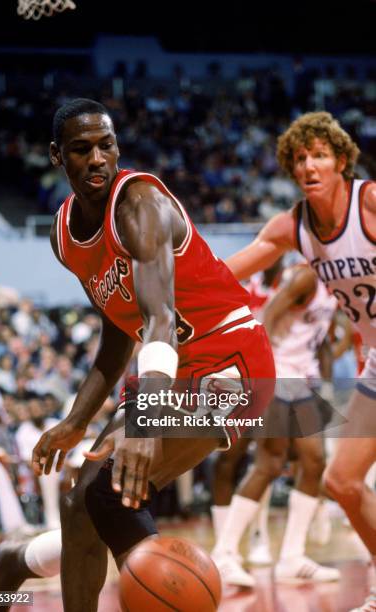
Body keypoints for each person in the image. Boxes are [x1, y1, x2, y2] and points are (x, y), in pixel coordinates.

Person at [27, 98, 275, 612]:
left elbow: (159, 317)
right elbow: (119, 331)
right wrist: (76, 420)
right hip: (173, 369)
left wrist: (145, 421)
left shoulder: (139, 204)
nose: (97, 158)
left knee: (111, 492)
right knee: (78, 499)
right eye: (81, 149)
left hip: (232, 362)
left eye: (107, 145)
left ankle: (168, 598)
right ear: (57, 156)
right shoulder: (63, 235)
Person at [225, 111, 376, 611]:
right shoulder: (292, 229)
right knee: (339, 480)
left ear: (341, 161)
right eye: (300, 157)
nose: (309, 165)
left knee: (311, 466)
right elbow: (224, 275)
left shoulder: (369, 202)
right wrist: (166, 288)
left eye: (320, 155)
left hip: (313, 372)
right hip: (353, 363)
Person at [211, 262, 340, 586]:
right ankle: (225, 553)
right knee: (269, 463)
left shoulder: (336, 284)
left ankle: (292, 557)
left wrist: (325, 384)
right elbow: (266, 319)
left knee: (314, 461)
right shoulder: (306, 277)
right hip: (278, 373)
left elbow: (323, 340)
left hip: (303, 380)